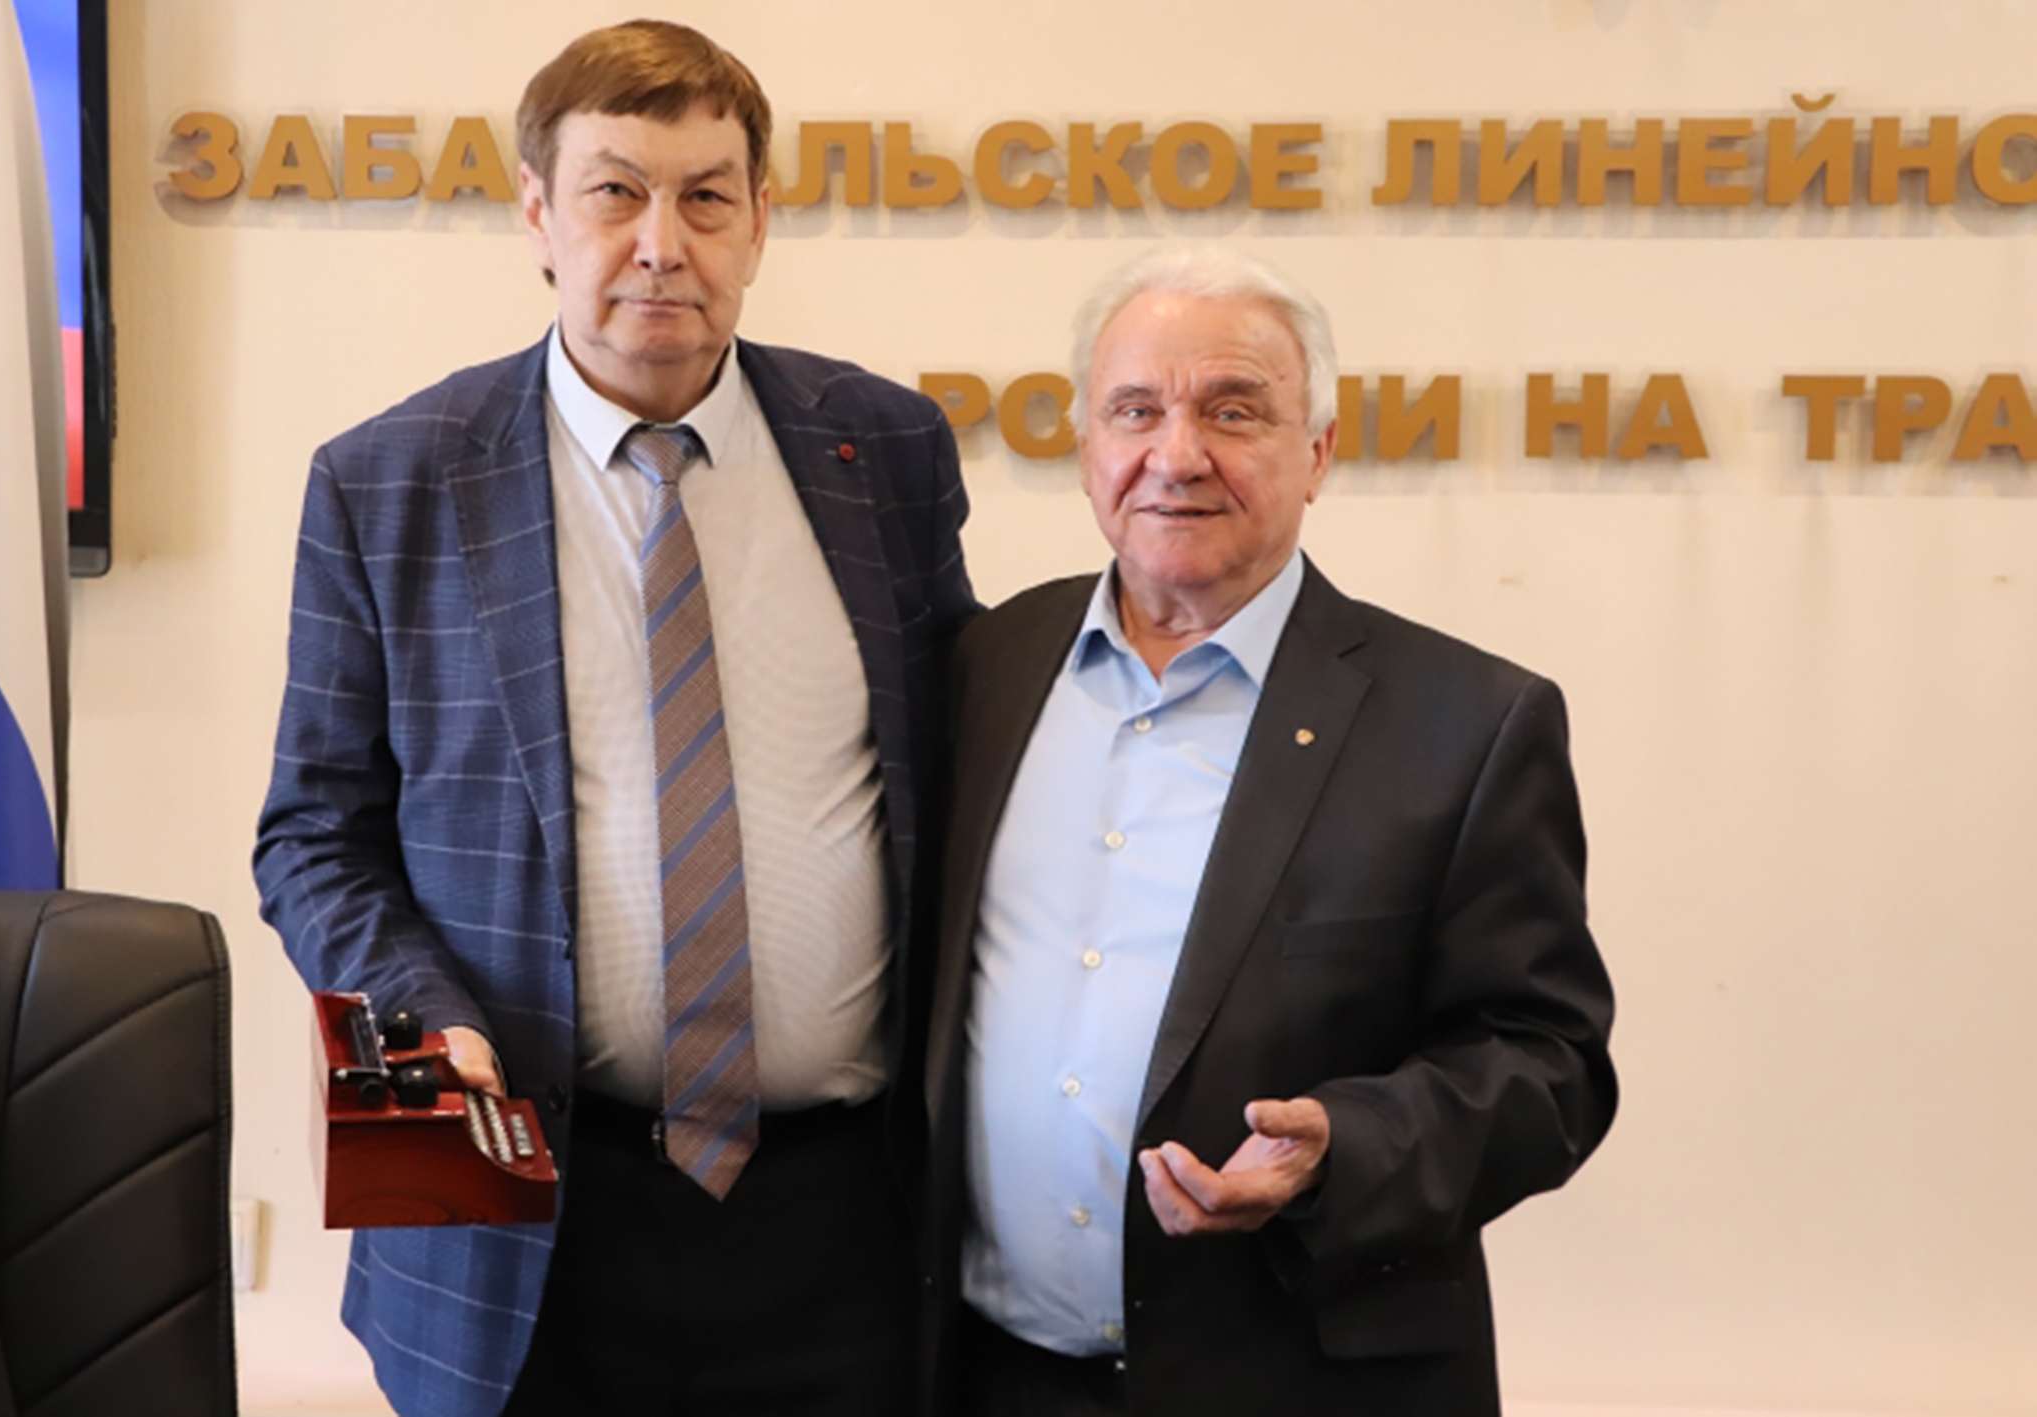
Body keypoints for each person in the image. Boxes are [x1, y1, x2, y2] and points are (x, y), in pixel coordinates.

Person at [254, 21, 974, 1417]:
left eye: (706, 196)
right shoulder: (391, 481)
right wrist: (424, 1015)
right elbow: (313, 836)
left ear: (760, 220)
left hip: (847, 1220)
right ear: (537, 212)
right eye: (615, 192)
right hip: (524, 1215)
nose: (662, 243)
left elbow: (956, 768)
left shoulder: (883, 449)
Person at [921, 246, 1617, 1416]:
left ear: (1319, 453)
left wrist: (1344, 1143)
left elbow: (1550, 1064)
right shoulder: (988, 665)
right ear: (1087, 447)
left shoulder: (1467, 723)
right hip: (994, 1376)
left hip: (1299, 1377)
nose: (1177, 453)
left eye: (1233, 411)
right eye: (1135, 411)